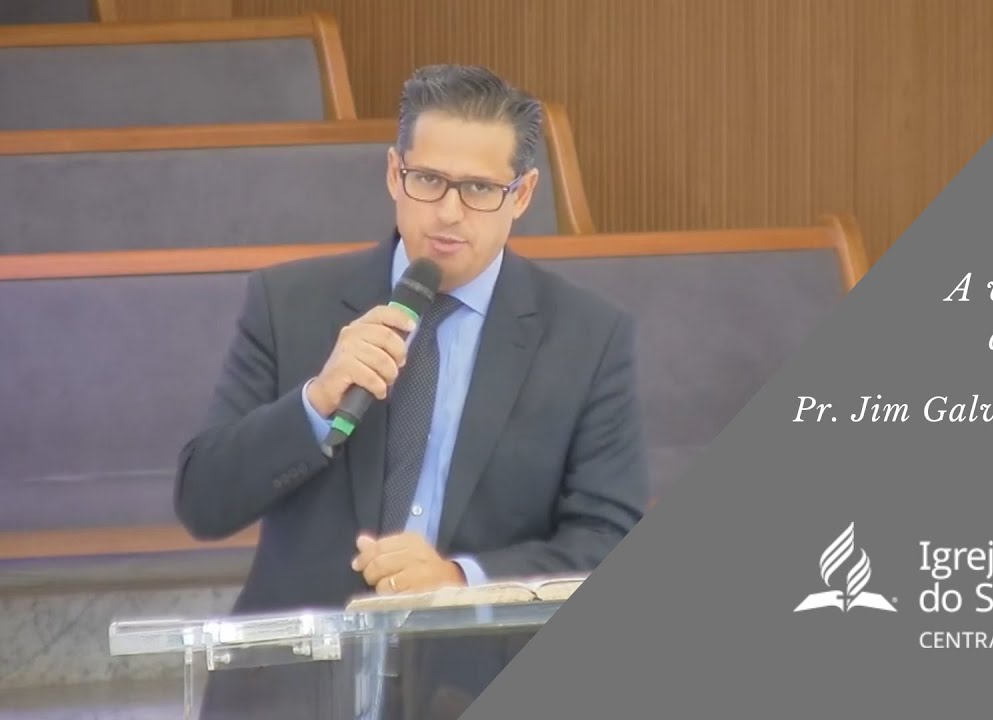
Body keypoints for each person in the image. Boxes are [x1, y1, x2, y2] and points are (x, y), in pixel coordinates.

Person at [175, 64, 648, 717]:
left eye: (480, 189)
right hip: (298, 692)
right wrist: (315, 403)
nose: (449, 212)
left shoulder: (588, 337)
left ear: (522, 194)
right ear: (395, 174)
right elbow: (203, 503)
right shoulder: (289, 304)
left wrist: (461, 580)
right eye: (429, 180)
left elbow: (608, 538)